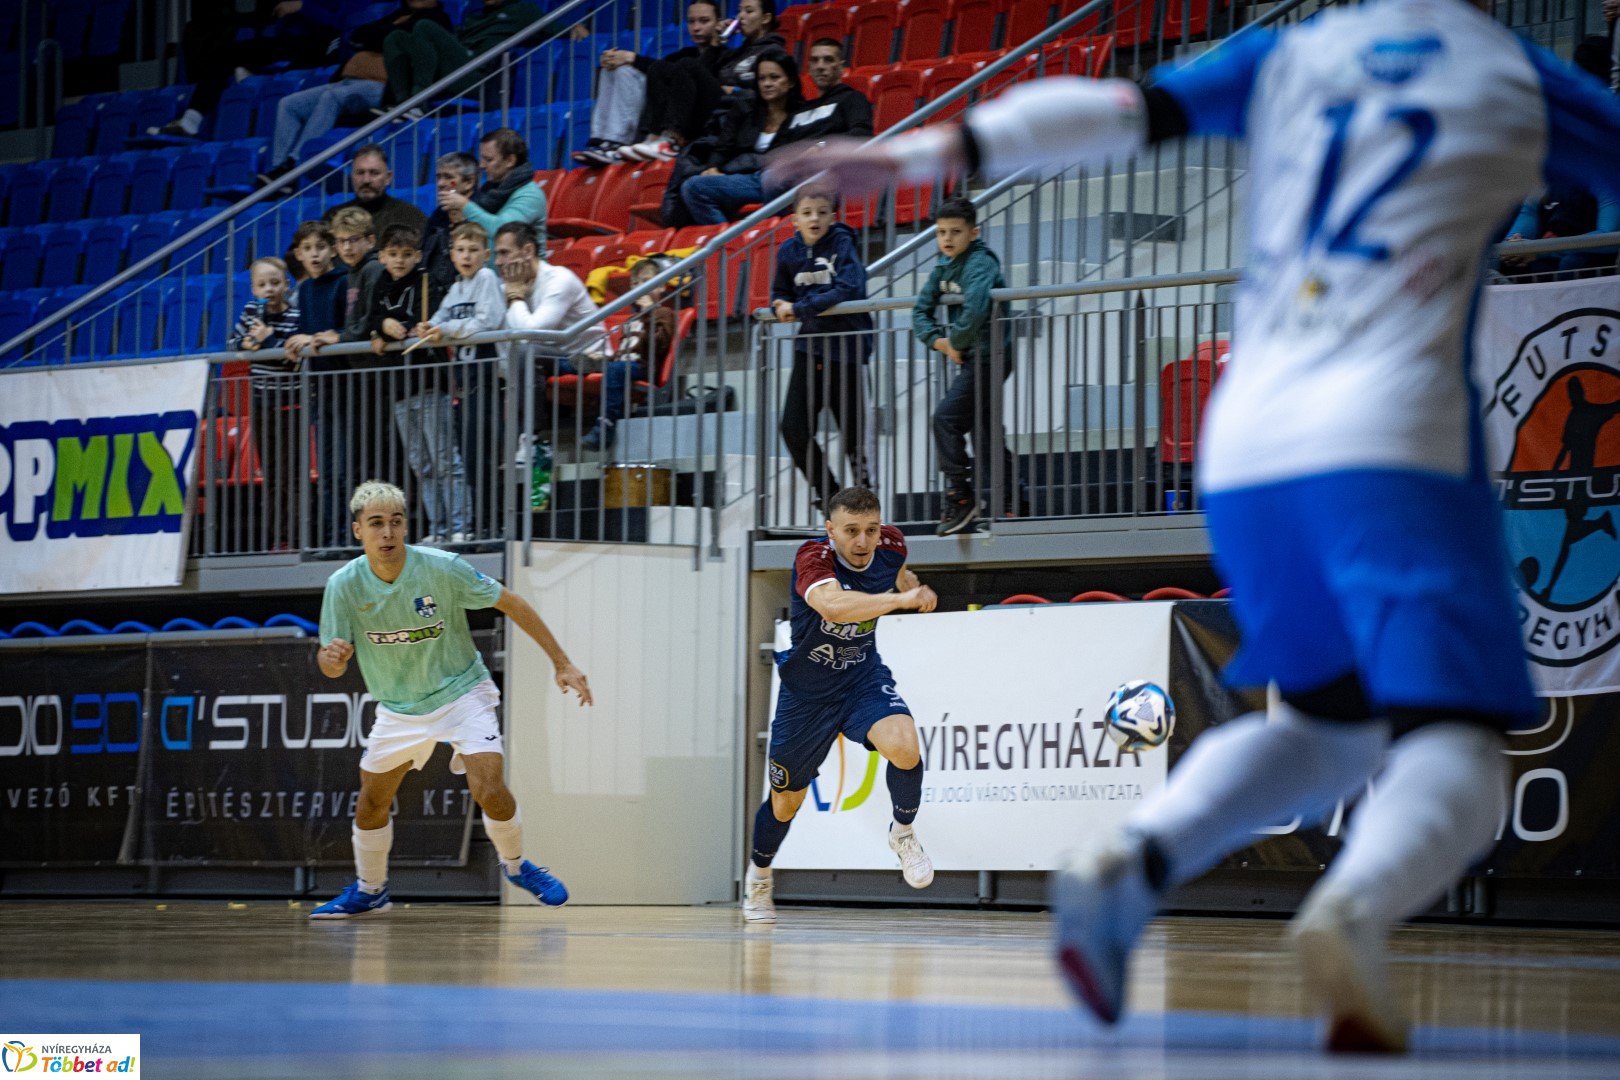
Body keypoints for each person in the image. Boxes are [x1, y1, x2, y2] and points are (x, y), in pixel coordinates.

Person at [773, 0, 1620, 1052]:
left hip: (1249, 438)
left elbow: (1111, 111)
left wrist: (932, 150)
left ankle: (1132, 859)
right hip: (1391, 427)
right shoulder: (1514, 75)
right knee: (1461, 746)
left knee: (1325, 727)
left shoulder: (1297, 51)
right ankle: (1355, 912)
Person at [311, 479, 591, 918]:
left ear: (405, 527)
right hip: (399, 707)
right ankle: (371, 889)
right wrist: (331, 658)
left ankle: (516, 866)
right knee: (371, 802)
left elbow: (512, 603)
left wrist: (562, 663)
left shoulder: (442, 568)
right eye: (377, 524)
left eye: (396, 523)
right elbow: (332, 665)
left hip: (462, 691)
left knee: (489, 788)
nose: (387, 533)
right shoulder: (343, 585)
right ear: (358, 531)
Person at [745, 486, 939, 923]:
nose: (862, 542)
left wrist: (909, 583)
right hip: (807, 694)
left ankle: (903, 833)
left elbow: (900, 569)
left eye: (870, 530)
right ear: (830, 529)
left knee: (904, 744)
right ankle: (759, 876)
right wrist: (900, 600)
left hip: (860, 679)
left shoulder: (891, 544)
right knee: (785, 804)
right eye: (850, 531)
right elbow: (833, 607)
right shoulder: (812, 558)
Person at [911, 198, 1024, 536]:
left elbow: (975, 308)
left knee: (945, 418)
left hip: (990, 359)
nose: (947, 239)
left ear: (974, 233)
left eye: (955, 232)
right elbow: (920, 311)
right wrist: (939, 342)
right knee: (986, 433)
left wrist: (955, 343)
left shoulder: (980, 262)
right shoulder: (943, 267)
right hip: (971, 357)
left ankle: (961, 494)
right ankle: (1014, 500)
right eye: (941, 232)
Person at [259, 1, 452, 187]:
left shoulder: (437, 19)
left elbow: (389, 38)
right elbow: (357, 36)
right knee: (289, 103)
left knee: (332, 98)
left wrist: (378, 37)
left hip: (381, 87)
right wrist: (382, 35)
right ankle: (278, 167)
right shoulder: (395, 15)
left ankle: (296, 162)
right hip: (347, 80)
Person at [770, 188, 873, 511]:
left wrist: (800, 309)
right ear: (795, 219)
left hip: (846, 348)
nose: (815, 218)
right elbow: (779, 292)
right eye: (807, 212)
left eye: (822, 212)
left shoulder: (842, 242)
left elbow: (849, 287)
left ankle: (866, 502)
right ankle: (831, 496)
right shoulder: (788, 251)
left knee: (853, 434)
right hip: (809, 349)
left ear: (832, 216)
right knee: (793, 428)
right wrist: (779, 305)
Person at [366, 224, 463, 545]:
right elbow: (371, 317)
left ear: (418, 256)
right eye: (393, 255)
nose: (399, 261)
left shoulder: (427, 282)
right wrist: (380, 327)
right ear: (381, 256)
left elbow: (431, 318)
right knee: (421, 465)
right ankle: (438, 527)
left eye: (407, 255)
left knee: (444, 459)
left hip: (429, 383)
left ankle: (459, 525)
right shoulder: (380, 282)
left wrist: (403, 327)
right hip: (399, 390)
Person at [413, 221, 508, 537]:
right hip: (465, 378)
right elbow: (440, 319)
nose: (466, 256)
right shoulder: (455, 288)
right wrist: (426, 327)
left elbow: (487, 322)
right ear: (452, 254)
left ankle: (490, 525)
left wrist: (447, 330)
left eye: (473, 250)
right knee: (468, 454)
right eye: (461, 250)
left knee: (483, 454)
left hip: (487, 372)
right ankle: (476, 526)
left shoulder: (486, 278)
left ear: (486, 254)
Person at [148, 1, 343, 140]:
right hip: (287, 43)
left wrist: (302, 6)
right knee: (223, 54)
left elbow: (343, 19)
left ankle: (257, 74)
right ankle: (191, 120)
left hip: (321, 45)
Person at [622, 0, 788, 163]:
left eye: (748, 11)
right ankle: (652, 137)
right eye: (739, 10)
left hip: (740, 113)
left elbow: (768, 90)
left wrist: (735, 90)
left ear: (765, 18)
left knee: (687, 63)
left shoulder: (772, 51)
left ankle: (671, 139)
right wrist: (715, 44)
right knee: (659, 68)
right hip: (715, 109)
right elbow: (696, 74)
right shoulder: (737, 52)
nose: (740, 17)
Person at [282, 220, 358, 548]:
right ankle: (332, 537)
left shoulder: (342, 283)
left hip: (346, 385)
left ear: (332, 249)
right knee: (326, 470)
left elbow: (346, 329)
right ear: (298, 254)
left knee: (344, 468)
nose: (314, 255)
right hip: (319, 387)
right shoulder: (304, 291)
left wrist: (324, 337)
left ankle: (349, 537)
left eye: (320, 247)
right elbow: (298, 333)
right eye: (307, 249)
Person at [577, 0, 727, 165]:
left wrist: (715, 45)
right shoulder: (684, 54)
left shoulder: (727, 56)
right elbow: (659, 71)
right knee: (618, 69)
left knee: (658, 65)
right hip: (669, 114)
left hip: (696, 121)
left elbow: (697, 76)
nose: (696, 27)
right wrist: (616, 59)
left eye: (704, 21)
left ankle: (632, 141)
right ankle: (605, 142)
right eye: (691, 21)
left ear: (718, 23)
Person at [494, 221, 610, 435]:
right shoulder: (508, 287)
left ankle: (530, 437)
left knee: (523, 352)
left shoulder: (559, 279)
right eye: (497, 254)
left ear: (528, 250)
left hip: (588, 356)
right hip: (554, 354)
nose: (498, 262)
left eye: (504, 253)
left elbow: (532, 333)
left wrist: (515, 297)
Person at [671, 49, 806, 226]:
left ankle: (769, 235)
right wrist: (713, 167)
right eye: (762, 78)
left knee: (773, 177)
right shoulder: (745, 108)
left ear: (790, 82)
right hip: (748, 178)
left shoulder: (804, 113)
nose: (767, 84)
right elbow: (724, 145)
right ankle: (731, 243)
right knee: (693, 187)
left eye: (774, 77)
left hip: (782, 178)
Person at [228, 256, 302, 551]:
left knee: (291, 474)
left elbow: (290, 358)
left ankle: (297, 535)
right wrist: (246, 345)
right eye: (262, 284)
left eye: (275, 283)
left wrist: (269, 340)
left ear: (286, 284)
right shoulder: (250, 312)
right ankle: (277, 537)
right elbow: (234, 345)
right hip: (263, 403)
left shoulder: (297, 314)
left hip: (291, 404)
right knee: (271, 473)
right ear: (253, 289)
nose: (269, 289)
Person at [573, 256, 681, 452]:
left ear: (662, 286)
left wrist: (650, 313)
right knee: (568, 364)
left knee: (615, 370)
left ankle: (604, 427)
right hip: (623, 364)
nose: (640, 287)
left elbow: (657, 345)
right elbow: (625, 351)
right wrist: (605, 358)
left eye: (647, 282)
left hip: (644, 366)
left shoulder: (664, 313)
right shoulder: (632, 318)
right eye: (636, 283)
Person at [380, 0, 546, 111]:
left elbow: (554, 28)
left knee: (425, 26)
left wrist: (572, 30)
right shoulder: (474, 17)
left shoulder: (523, 9)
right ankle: (402, 102)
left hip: (481, 75)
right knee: (395, 38)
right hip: (457, 68)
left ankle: (419, 97)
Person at [438, 129, 548, 250]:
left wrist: (465, 206)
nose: (482, 165)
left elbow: (503, 231)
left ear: (510, 161)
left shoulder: (530, 195)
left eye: (489, 160)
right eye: (482, 158)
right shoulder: (490, 191)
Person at [323, 145, 430, 240]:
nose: (366, 180)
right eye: (360, 173)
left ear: (388, 177)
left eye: (374, 173)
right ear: (352, 177)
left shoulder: (410, 216)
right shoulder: (334, 216)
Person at [786, 38, 874, 144]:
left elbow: (861, 135)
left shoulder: (853, 98)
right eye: (815, 60)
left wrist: (821, 148)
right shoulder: (798, 110)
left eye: (828, 60)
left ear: (841, 67)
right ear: (809, 68)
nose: (820, 66)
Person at [421, 151, 479, 292]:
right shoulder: (438, 215)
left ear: (469, 182)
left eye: (448, 177)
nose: (440, 184)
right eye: (439, 177)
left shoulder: (483, 210)